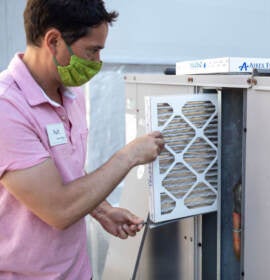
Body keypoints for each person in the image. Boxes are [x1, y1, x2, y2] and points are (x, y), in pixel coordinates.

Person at [0, 0, 164, 279]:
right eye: (92, 50)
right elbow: (59, 209)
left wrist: (102, 211)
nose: (97, 62)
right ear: (53, 41)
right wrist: (129, 156)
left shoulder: (68, 93)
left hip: (76, 272)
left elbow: (65, 169)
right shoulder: (8, 108)